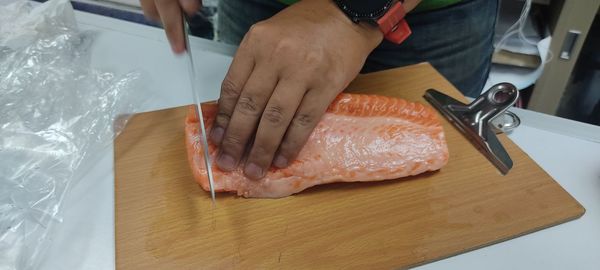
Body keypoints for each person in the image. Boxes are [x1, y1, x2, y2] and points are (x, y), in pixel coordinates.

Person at [140, 0, 498, 180]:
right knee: (252, 115)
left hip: (431, 22)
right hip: (262, 10)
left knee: (441, 152)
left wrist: (355, 11)